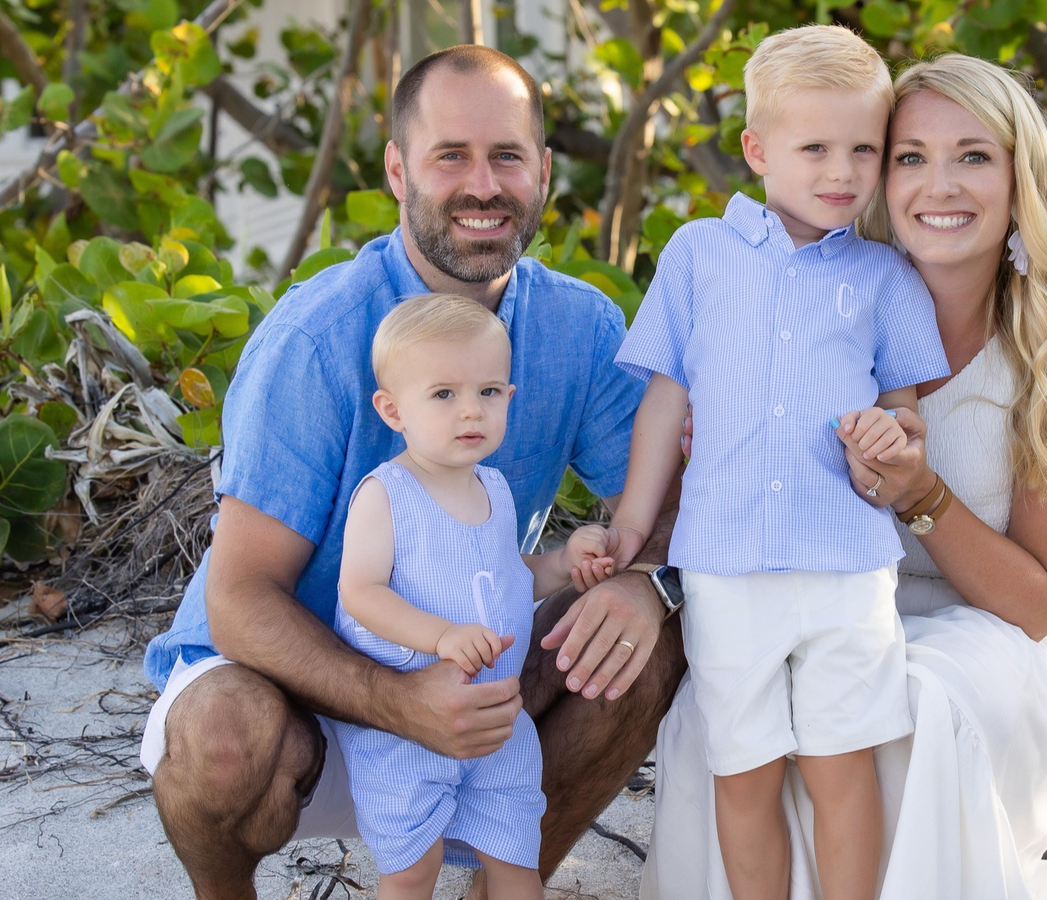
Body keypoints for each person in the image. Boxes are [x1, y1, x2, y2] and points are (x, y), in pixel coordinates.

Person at [136, 44, 686, 900]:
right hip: (294, 703)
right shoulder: (316, 339)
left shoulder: (579, 328)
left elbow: (671, 506)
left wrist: (648, 585)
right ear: (398, 170)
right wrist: (400, 702)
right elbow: (239, 600)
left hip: (477, 704)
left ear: (543, 171)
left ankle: (501, 887)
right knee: (222, 737)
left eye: (507, 156)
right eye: (450, 156)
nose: (483, 185)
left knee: (637, 647)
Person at [641, 53, 1047, 900]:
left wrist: (918, 493)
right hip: (829, 596)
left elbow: (1039, 605)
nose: (940, 184)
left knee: (909, 705)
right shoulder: (811, 298)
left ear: (1020, 176)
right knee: (721, 721)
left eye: (973, 156)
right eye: (910, 156)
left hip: (997, 640)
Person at [607, 25, 949, 900]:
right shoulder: (697, 254)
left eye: (863, 149)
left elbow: (906, 417)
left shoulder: (886, 276)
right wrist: (632, 527)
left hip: (847, 567)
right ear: (758, 150)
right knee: (744, 769)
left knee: (842, 767)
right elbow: (666, 402)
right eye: (815, 149)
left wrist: (891, 438)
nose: (843, 172)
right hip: (726, 564)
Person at [333, 294, 617, 899]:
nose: (471, 410)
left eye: (488, 392)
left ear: (509, 396)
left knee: (515, 855)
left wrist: (563, 564)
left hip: (497, 719)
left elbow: (506, 576)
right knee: (413, 868)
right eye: (443, 394)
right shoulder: (386, 495)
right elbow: (360, 593)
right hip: (407, 726)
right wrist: (441, 636)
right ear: (393, 410)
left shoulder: (494, 488)